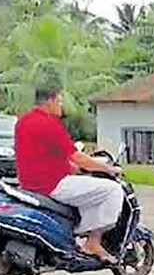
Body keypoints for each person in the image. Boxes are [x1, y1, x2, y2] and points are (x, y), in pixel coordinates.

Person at [14, 86, 124, 263]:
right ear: (49, 101)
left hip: (29, 183)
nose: (61, 105)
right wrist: (109, 169)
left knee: (89, 189)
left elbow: (45, 155)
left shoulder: (23, 122)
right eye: (59, 100)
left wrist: (75, 169)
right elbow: (79, 157)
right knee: (112, 190)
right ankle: (93, 242)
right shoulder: (50, 124)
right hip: (53, 184)